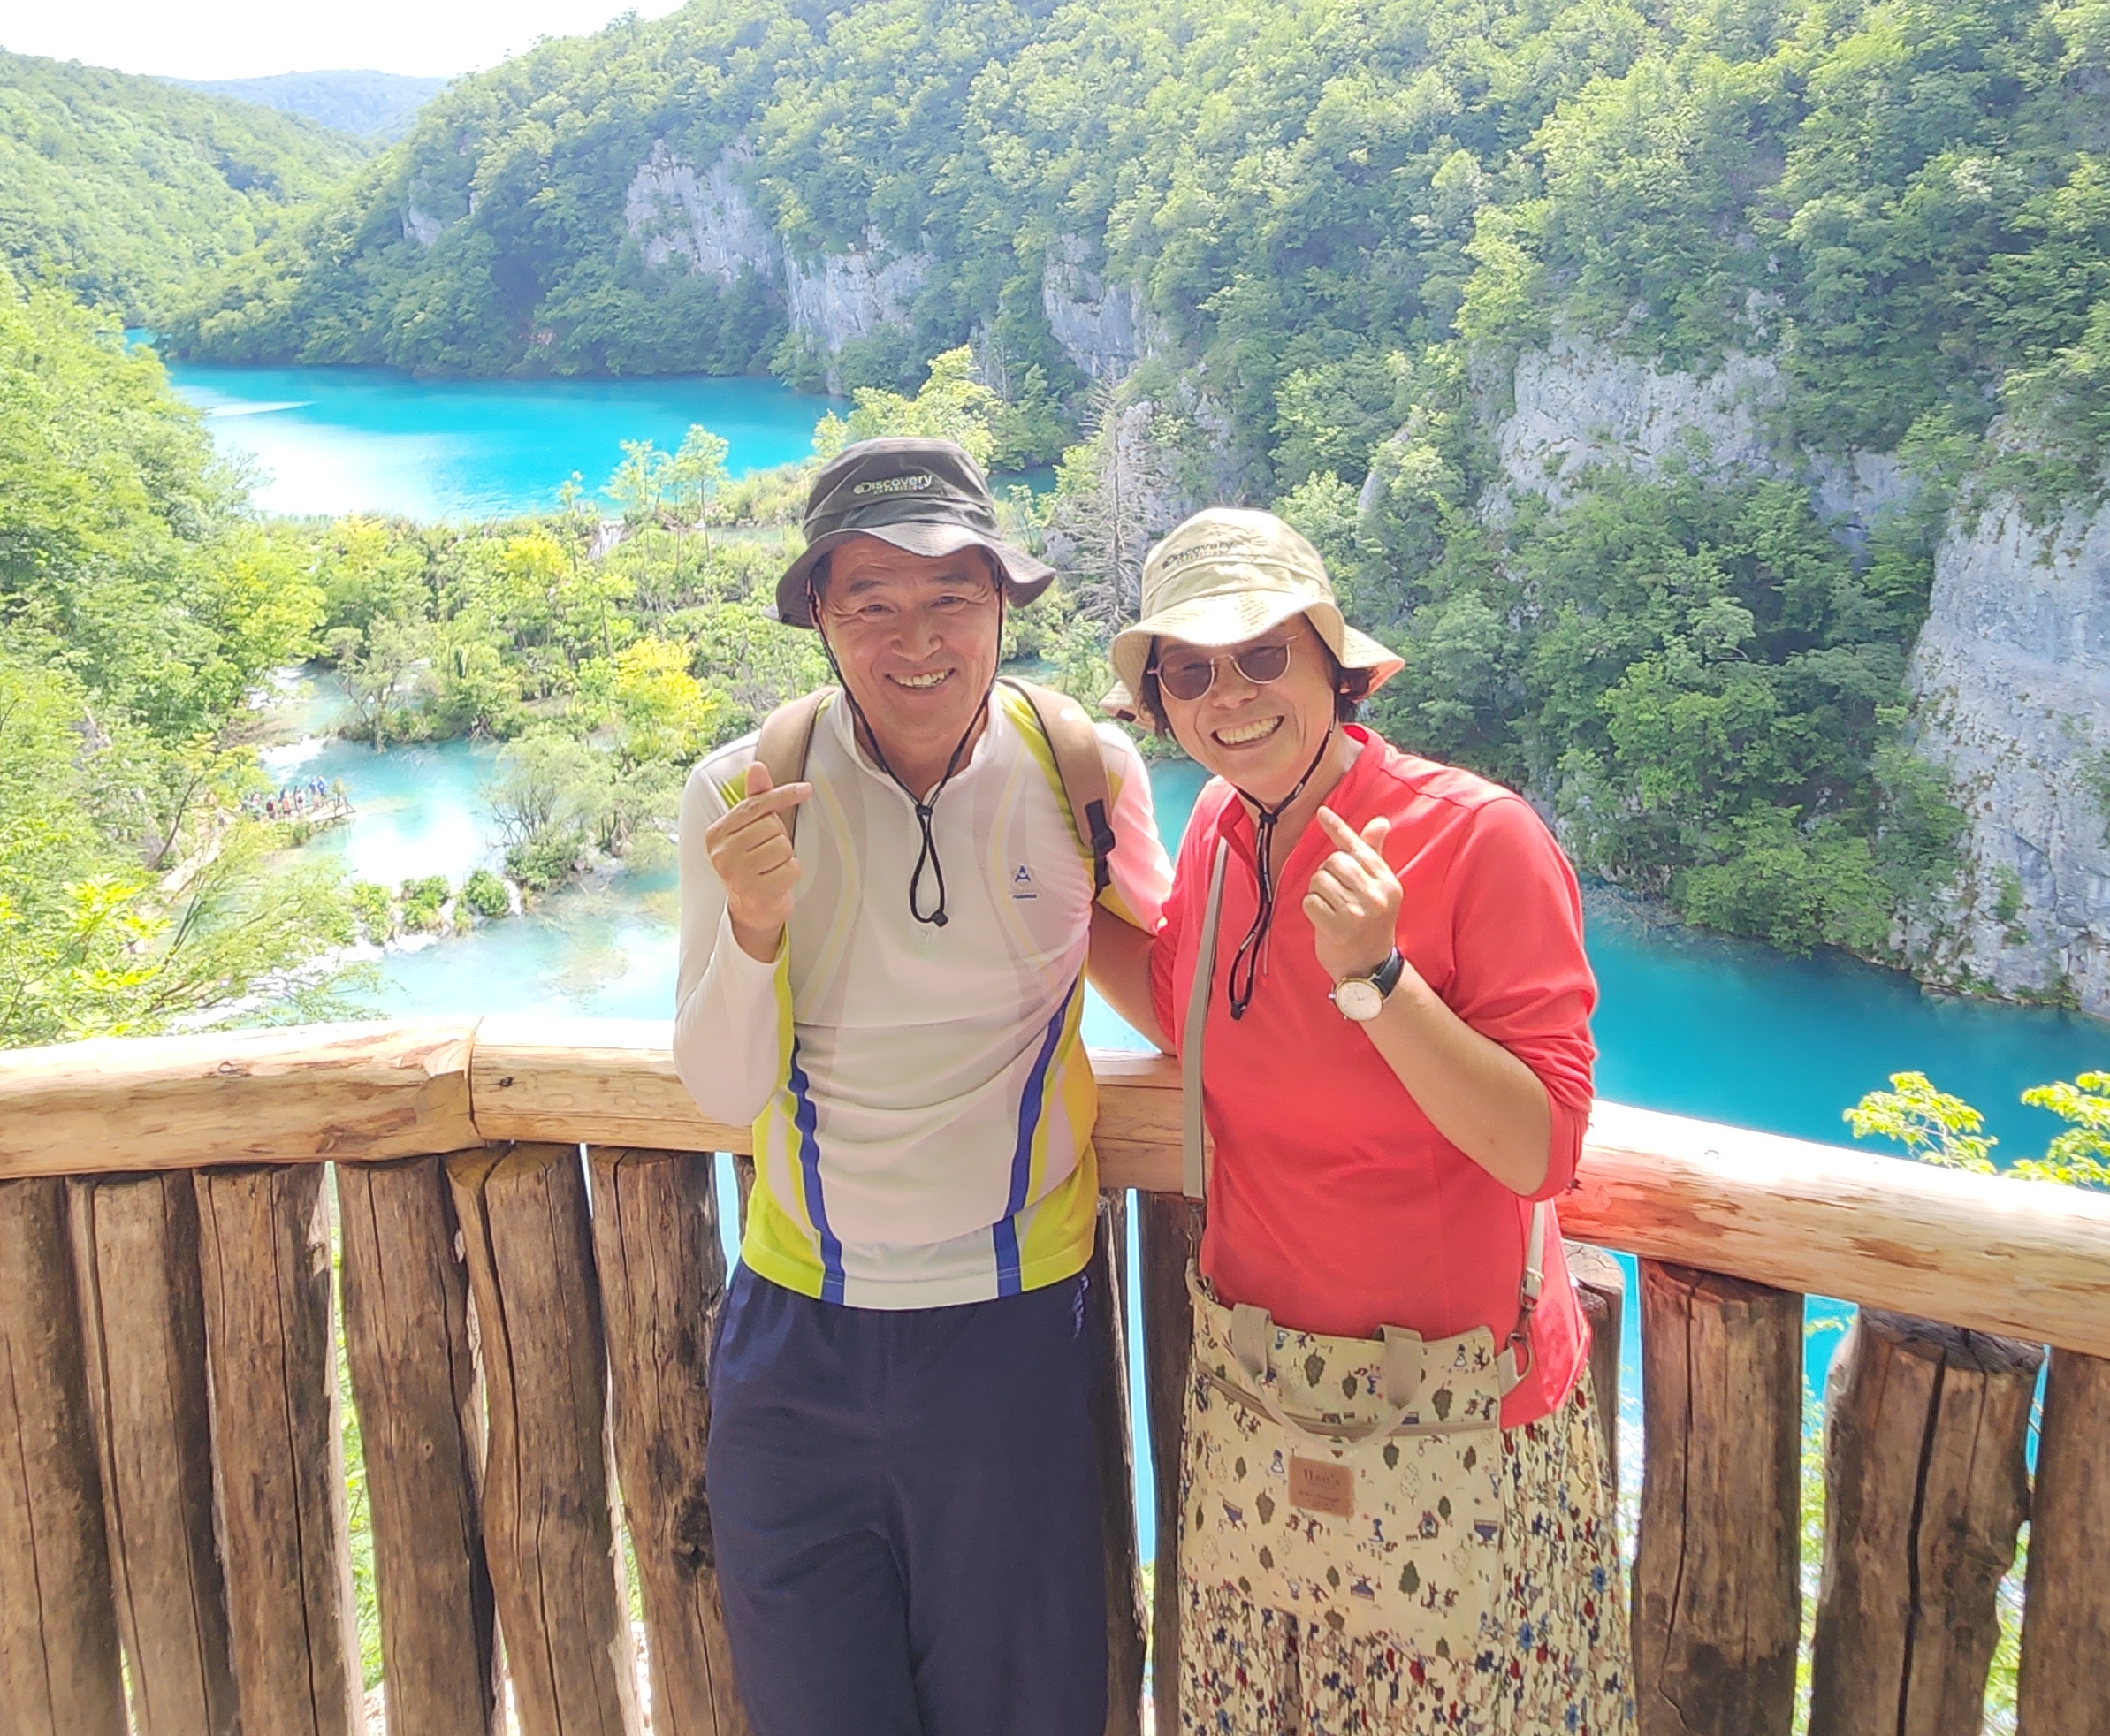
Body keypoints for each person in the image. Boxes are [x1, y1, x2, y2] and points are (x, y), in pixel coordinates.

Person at [674, 435, 1170, 1736]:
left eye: (953, 595)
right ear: (820, 619)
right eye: (872, 603)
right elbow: (722, 1089)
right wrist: (754, 928)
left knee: (1024, 1709)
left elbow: (1182, 990)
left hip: (1016, 1328)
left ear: (1003, 602)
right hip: (798, 1329)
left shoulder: (1083, 772)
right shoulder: (744, 790)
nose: (918, 641)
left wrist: (1374, 988)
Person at [1115, 505, 1620, 1734]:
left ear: (1332, 663)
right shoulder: (1221, 829)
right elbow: (1188, 1009)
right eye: (1191, 672)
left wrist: (1380, 981)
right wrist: (1037, 875)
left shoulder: (1478, 837)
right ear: (1164, 702)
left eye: (1261, 655)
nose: (1231, 696)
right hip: (1264, 1400)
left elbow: (1542, 1150)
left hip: (1456, 1422)